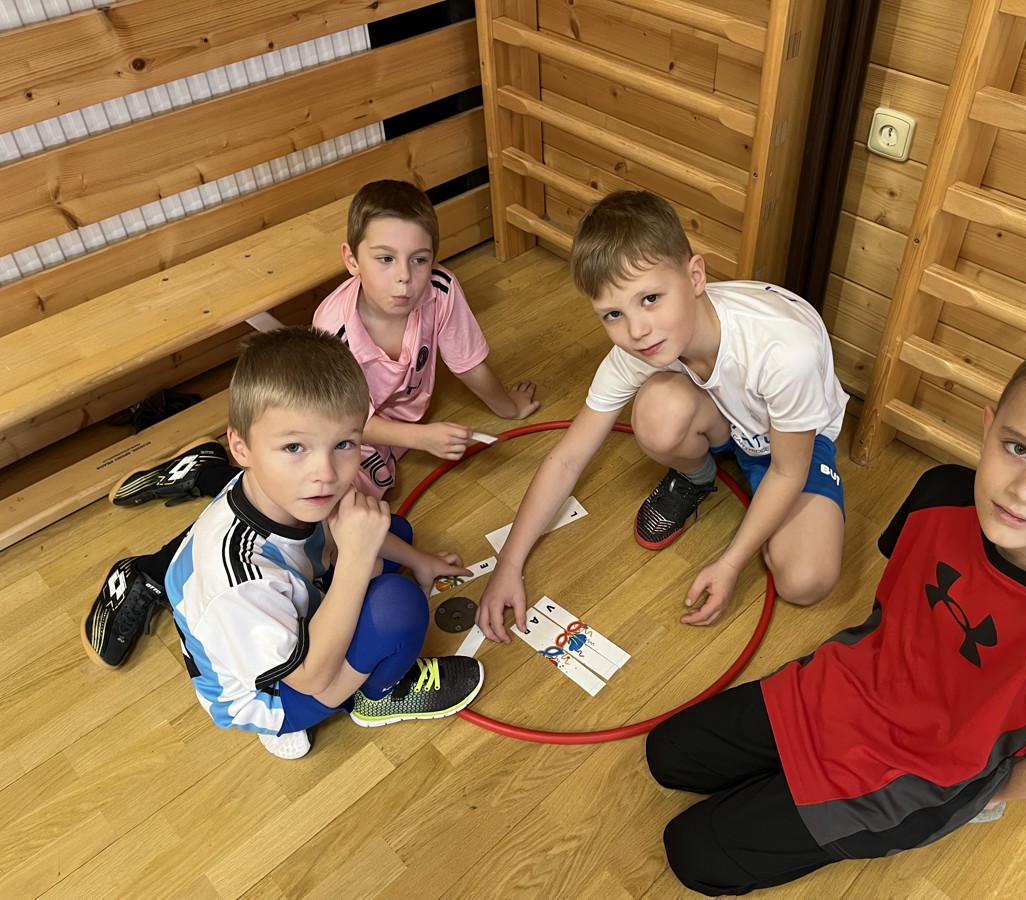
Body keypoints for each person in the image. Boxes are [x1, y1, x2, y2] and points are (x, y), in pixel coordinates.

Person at [644, 335, 1026, 895]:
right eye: (1018, 448)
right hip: (847, 689)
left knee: (692, 853)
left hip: (917, 776)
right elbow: (894, 612)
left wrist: (968, 800)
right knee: (669, 755)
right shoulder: (940, 492)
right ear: (988, 427)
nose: (1025, 491)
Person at [82, 180, 538, 669]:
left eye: (419, 260)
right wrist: (418, 438)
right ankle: (149, 572)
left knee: (340, 512)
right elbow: (331, 426)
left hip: (367, 441)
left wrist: (508, 407)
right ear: (351, 260)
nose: (405, 278)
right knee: (297, 508)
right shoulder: (334, 326)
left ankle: (207, 468)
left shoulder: (441, 290)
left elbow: (468, 362)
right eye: (385, 259)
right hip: (345, 435)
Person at [477, 190, 848, 642]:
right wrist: (508, 564)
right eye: (613, 314)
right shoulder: (642, 345)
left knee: (806, 581)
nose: (637, 330)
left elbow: (788, 470)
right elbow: (566, 458)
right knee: (657, 411)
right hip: (726, 419)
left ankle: (750, 484)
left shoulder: (785, 352)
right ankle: (698, 475)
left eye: (651, 298)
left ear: (695, 276)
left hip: (790, 441)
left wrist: (730, 563)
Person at [163, 326, 483, 760]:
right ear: (240, 447)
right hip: (276, 693)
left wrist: (419, 560)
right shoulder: (240, 582)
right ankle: (374, 698)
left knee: (393, 531)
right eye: (294, 446)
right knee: (397, 605)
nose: (326, 473)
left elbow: (357, 534)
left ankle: (354, 601)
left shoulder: (286, 487)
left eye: (344, 443)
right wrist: (355, 561)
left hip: (288, 601)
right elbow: (313, 680)